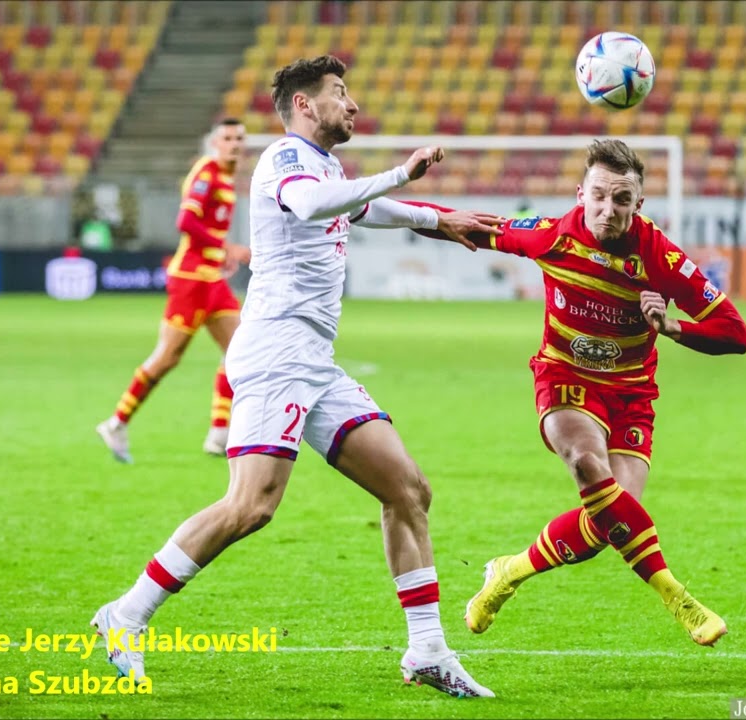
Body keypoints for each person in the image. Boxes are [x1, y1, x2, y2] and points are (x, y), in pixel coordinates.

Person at [90, 55, 504, 698]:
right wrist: (401, 172)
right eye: (340, 92)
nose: (353, 103)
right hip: (276, 355)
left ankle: (427, 650)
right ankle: (127, 613)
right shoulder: (286, 160)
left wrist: (437, 220)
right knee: (251, 506)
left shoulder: (326, 167)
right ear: (305, 105)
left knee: (408, 489)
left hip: (313, 360)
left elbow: (362, 211)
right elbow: (312, 206)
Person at [411, 139, 746, 648]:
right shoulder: (551, 236)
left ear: (639, 204)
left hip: (631, 395)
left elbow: (735, 333)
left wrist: (672, 327)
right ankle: (676, 595)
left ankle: (508, 571)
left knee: (612, 524)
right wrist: (370, 207)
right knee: (586, 462)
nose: (607, 209)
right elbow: (460, 225)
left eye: (621, 199)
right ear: (580, 194)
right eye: (598, 196)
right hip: (564, 377)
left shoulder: (660, 258)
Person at [95, 118, 252, 462]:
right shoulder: (206, 173)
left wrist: (219, 255)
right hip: (191, 280)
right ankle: (117, 423)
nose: (234, 144)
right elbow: (186, 222)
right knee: (168, 357)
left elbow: (207, 229)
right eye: (227, 138)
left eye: (239, 138)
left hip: (212, 278)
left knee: (240, 349)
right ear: (215, 143)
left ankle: (220, 432)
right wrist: (227, 248)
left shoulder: (226, 178)